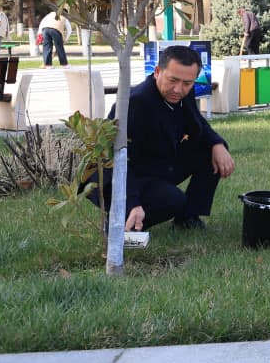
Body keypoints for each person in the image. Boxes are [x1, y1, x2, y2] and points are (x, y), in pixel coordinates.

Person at [86, 45, 235, 232]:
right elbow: (119, 159)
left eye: (187, 83)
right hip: (116, 176)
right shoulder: (135, 103)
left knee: (209, 151)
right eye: (173, 80)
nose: (178, 89)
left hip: (154, 164)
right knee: (174, 200)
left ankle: (188, 218)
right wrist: (132, 202)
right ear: (157, 72)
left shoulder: (183, 93)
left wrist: (218, 144)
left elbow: (199, 126)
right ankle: (120, 222)